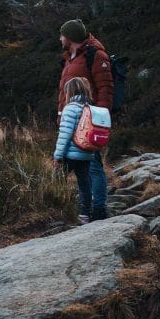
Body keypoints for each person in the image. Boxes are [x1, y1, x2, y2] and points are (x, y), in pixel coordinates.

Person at [58, 19, 113, 221]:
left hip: (89, 122)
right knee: (77, 167)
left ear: (70, 37)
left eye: (62, 35)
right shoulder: (70, 58)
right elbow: (63, 90)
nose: (60, 38)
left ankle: (98, 210)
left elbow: (106, 88)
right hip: (71, 119)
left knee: (93, 166)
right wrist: (60, 114)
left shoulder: (95, 55)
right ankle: (81, 209)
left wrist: (99, 118)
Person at [53, 76, 94, 225]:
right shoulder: (89, 107)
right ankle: (85, 215)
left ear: (69, 91)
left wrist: (58, 156)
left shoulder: (70, 108)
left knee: (56, 181)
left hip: (70, 154)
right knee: (84, 184)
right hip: (86, 153)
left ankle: (58, 212)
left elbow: (65, 135)